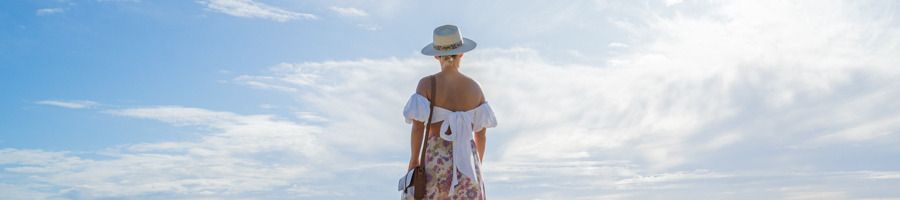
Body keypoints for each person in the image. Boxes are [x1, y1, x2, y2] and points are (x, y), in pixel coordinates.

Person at [403, 24, 497, 199]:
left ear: (436, 55)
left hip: (436, 159)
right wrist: (477, 165)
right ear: (462, 53)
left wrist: (413, 160)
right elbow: (481, 136)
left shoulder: (427, 85)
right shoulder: (475, 88)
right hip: (468, 162)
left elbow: (417, 128)